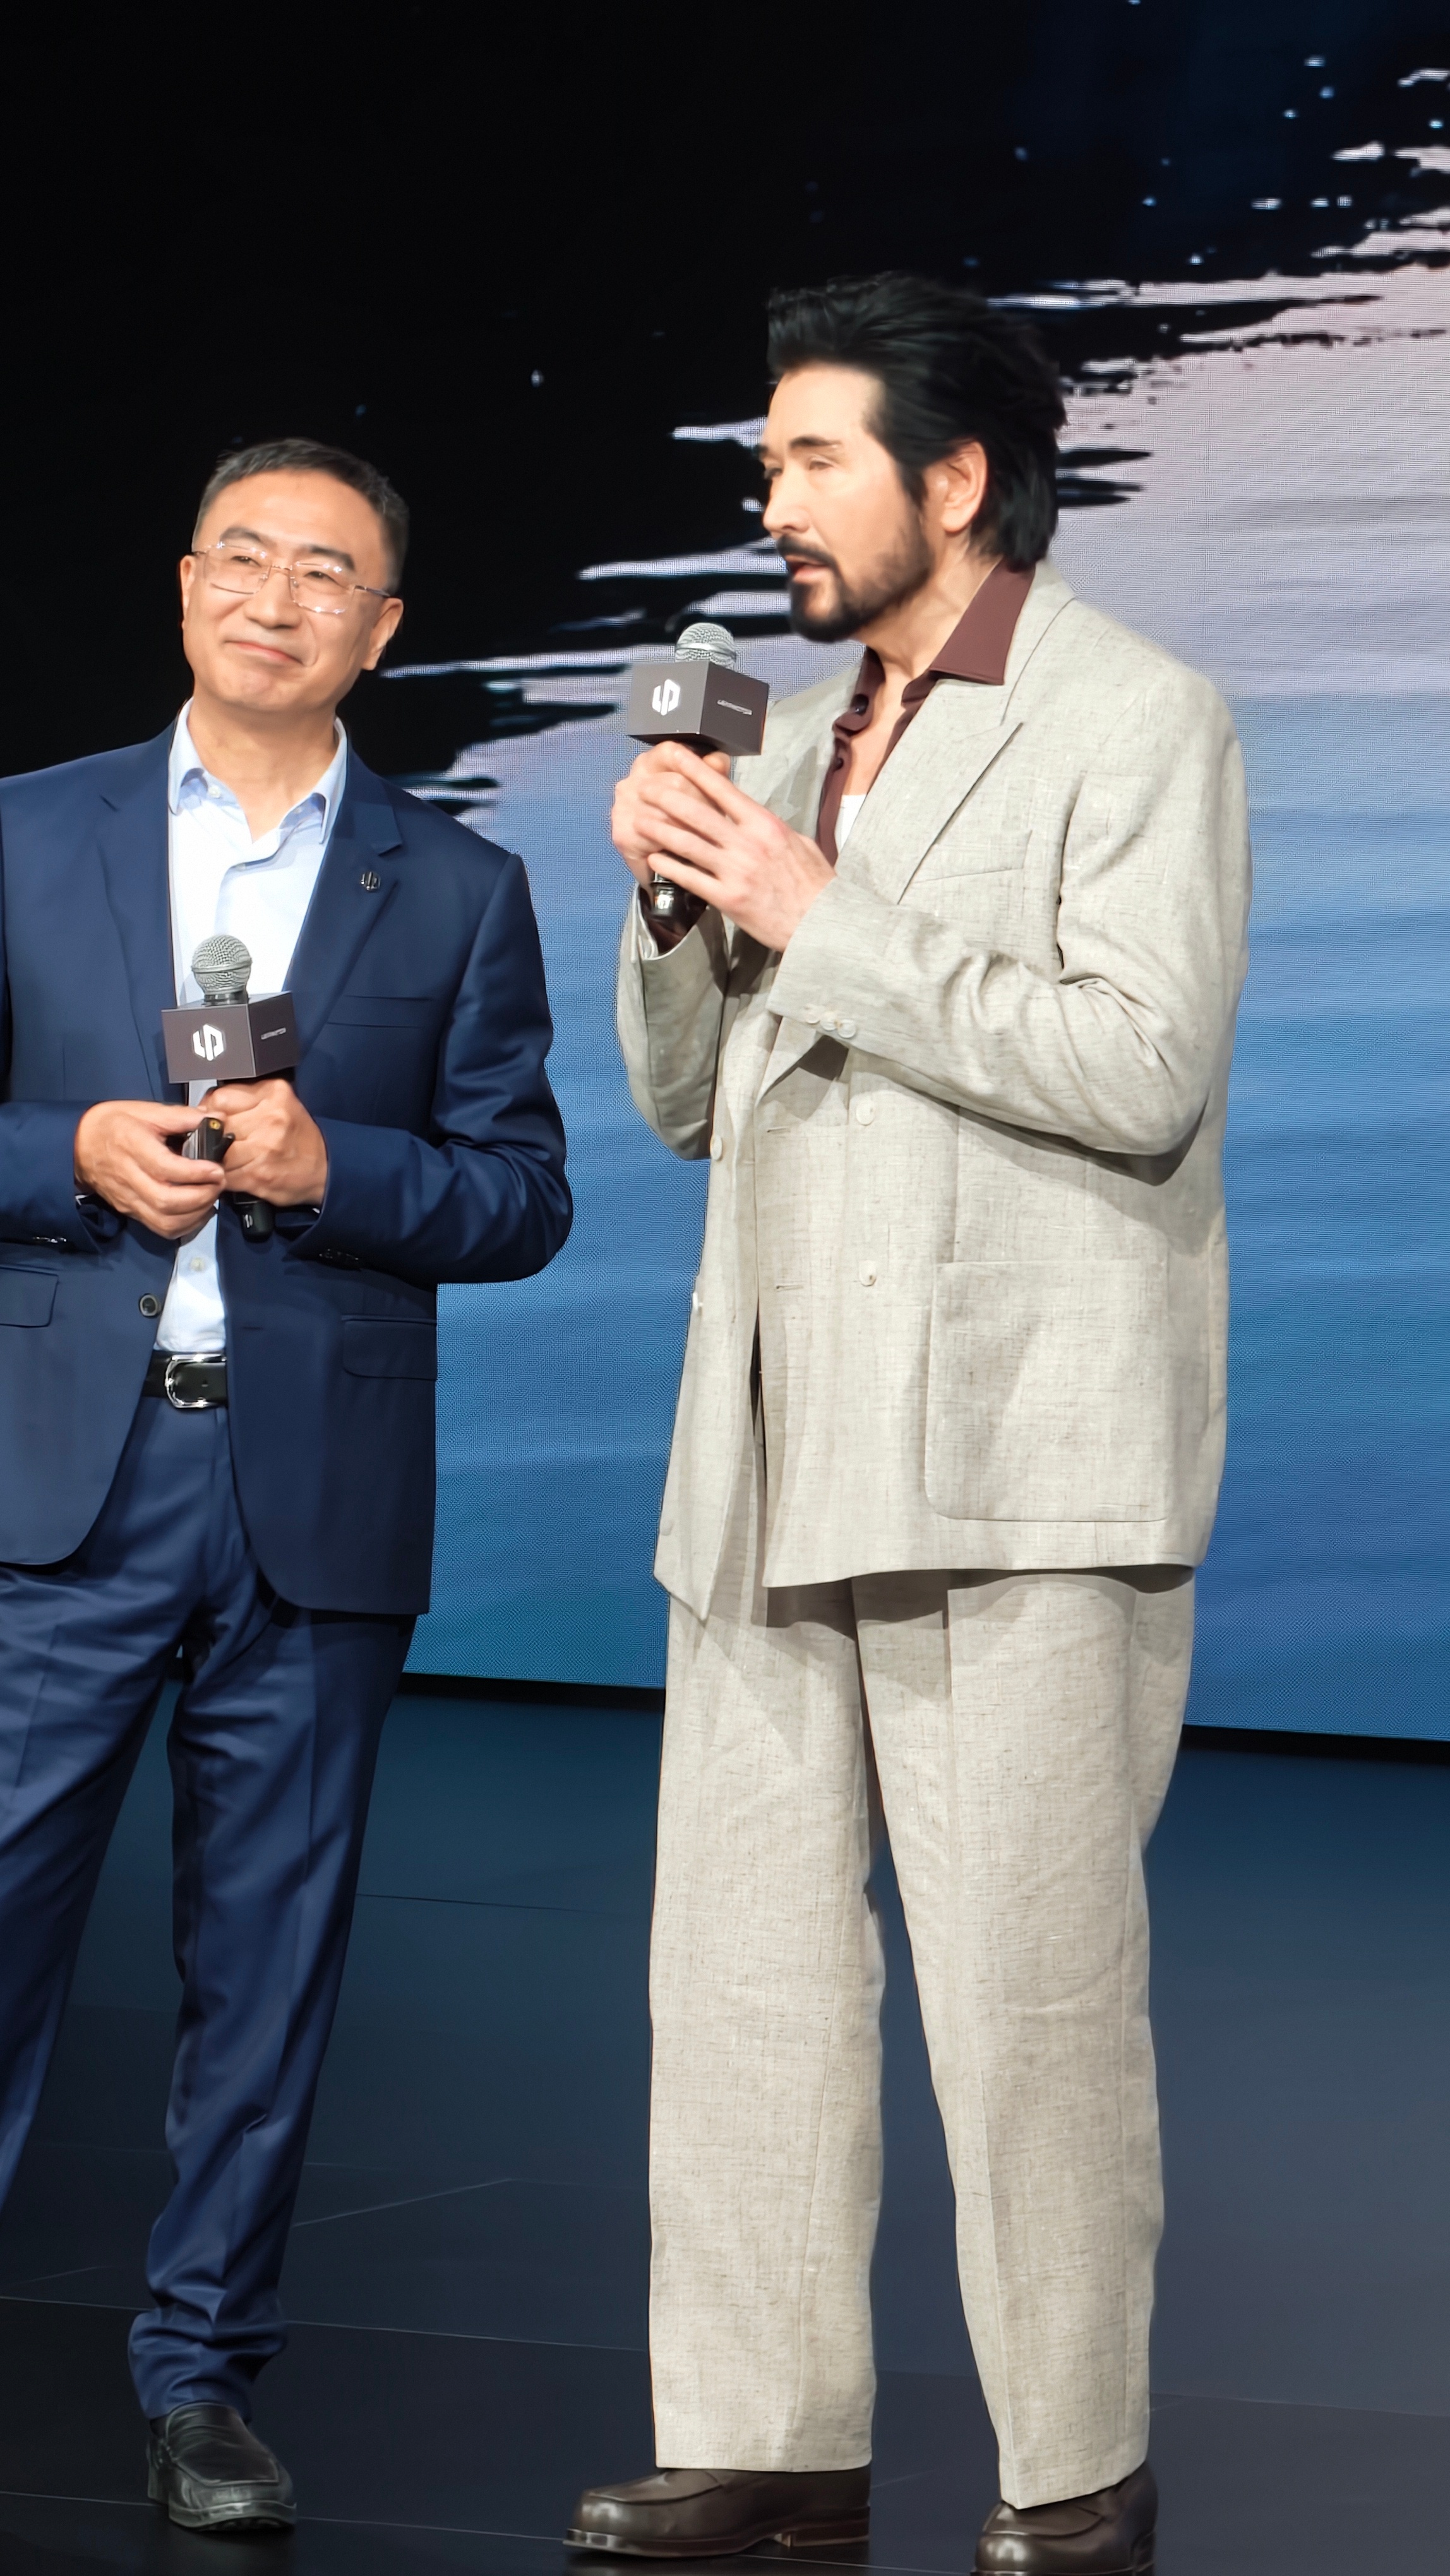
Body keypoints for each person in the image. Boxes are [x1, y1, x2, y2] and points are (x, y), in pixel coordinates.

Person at [571, 276, 1249, 2575]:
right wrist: (681, 908)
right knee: (739, 1978)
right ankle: (764, 2434)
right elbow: (688, 1109)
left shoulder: (1134, 715)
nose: (771, 500)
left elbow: (1139, 1068)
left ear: (955, 479)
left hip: (1014, 1450)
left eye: (812, 459)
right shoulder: (779, 744)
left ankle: (1076, 2466)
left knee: (1029, 1998)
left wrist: (817, 907)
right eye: (764, 461)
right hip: (766, 1447)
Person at [0, 438, 570, 2533]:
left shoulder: (462, 888)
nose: (274, 596)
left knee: (271, 1962)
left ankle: (203, 2378)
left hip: (313, 1498)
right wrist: (63, 1151)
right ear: (182, 589)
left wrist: (345, 1172)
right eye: (241, 557)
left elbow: (521, 1197)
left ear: (381, 628)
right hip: (57, 1482)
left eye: (323, 571)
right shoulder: (26, 831)